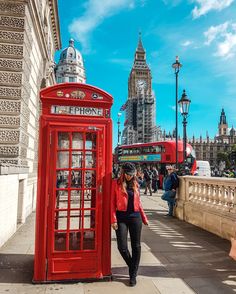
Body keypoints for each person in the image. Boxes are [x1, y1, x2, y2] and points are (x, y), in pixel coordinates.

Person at [111, 162, 148, 287]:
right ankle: (133, 267)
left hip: (135, 217)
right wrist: (113, 220)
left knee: (136, 246)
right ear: (123, 173)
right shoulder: (115, 184)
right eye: (127, 174)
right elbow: (112, 203)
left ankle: (133, 275)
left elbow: (139, 203)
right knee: (122, 247)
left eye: (131, 174)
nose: (129, 176)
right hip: (121, 217)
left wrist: (144, 217)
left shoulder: (136, 183)